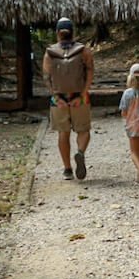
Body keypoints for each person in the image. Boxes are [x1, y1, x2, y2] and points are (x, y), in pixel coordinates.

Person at [42, 17, 95, 180]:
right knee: (83, 130)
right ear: (73, 32)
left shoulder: (50, 52)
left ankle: (67, 169)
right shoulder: (83, 50)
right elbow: (90, 72)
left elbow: (46, 76)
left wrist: (55, 96)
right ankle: (80, 152)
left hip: (58, 99)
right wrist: (83, 93)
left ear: (57, 33)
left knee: (63, 133)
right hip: (79, 96)